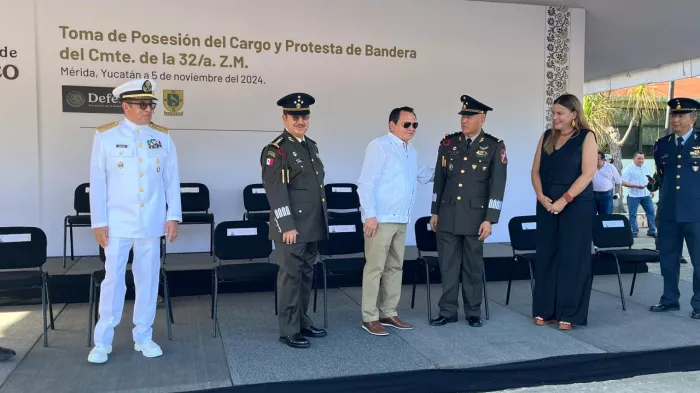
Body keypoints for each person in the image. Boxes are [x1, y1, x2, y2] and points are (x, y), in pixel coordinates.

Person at [88, 79, 182, 363]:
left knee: (148, 280)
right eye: (142, 104)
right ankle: (103, 341)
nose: (148, 109)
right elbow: (98, 182)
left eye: (151, 104)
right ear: (125, 106)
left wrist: (173, 216)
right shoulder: (105, 136)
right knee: (113, 281)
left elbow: (171, 180)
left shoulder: (163, 137)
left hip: (150, 222)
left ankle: (144, 335)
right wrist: (98, 222)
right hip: (116, 223)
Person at [429, 95, 507, 328]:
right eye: (463, 116)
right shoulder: (448, 143)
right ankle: (448, 311)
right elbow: (439, 181)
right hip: (448, 215)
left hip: (476, 218)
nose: (464, 121)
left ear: (482, 119)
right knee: (448, 266)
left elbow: (498, 186)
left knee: (472, 266)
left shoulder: (494, 146)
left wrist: (490, 219)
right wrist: (435, 211)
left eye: (469, 116)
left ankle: (473, 311)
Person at [356, 106, 434, 336]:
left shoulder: (411, 150)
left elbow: (423, 173)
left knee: (395, 266)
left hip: (401, 219)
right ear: (392, 125)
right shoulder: (379, 146)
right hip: (379, 219)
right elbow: (366, 182)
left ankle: (388, 311)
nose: (411, 129)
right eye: (406, 124)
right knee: (375, 268)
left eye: (415, 125)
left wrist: (450, 168)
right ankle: (369, 316)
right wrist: (369, 215)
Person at [260, 93, 328, 348]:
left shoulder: (310, 145)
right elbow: (276, 192)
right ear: (284, 118)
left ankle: (302, 321)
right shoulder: (276, 150)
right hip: (292, 227)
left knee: (306, 275)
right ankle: (288, 329)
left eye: (304, 116)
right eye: (295, 116)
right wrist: (286, 225)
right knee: (290, 276)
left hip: (311, 225)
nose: (301, 121)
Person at [530, 93, 597, 330]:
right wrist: (541, 197)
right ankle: (545, 310)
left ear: (574, 115)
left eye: (560, 113)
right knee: (547, 255)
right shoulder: (547, 136)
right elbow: (535, 170)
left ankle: (570, 313)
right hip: (547, 203)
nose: (555, 117)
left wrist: (564, 200)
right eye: (553, 113)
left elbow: (588, 174)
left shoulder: (587, 137)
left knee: (573, 258)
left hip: (576, 204)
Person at [650, 97, 700, 319]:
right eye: (674, 115)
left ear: (693, 118)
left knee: (699, 261)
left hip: (696, 213)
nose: (676, 119)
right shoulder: (662, 144)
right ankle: (669, 299)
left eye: (681, 115)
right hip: (669, 212)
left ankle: (699, 304)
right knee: (668, 259)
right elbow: (662, 177)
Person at [621, 152, 657, 237]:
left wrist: (651, 190)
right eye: (639, 158)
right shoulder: (628, 169)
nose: (641, 160)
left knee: (651, 212)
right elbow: (622, 182)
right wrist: (635, 186)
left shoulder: (646, 167)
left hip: (646, 194)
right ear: (633, 159)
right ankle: (634, 231)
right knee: (633, 214)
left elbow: (648, 180)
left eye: (642, 158)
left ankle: (652, 230)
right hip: (634, 196)